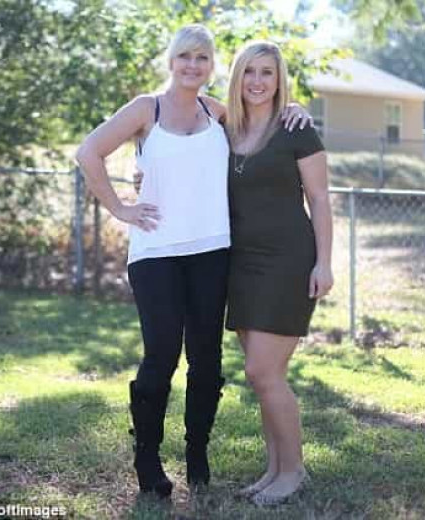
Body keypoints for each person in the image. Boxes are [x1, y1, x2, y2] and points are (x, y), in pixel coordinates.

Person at [75, 25, 312, 498]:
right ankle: (148, 460)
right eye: (185, 56)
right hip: (156, 254)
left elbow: (262, 120)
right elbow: (88, 153)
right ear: (171, 61)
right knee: (161, 355)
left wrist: (295, 108)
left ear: (211, 67)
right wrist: (121, 208)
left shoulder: (216, 111)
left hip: (212, 251)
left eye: (202, 58)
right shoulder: (146, 109)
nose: (192, 65)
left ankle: (197, 455)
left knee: (206, 360)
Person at [224, 41, 333, 506]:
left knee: (262, 370)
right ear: (237, 78)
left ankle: (293, 471)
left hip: (287, 261)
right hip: (240, 263)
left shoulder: (296, 128)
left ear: (279, 78)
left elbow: (320, 199)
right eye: (249, 72)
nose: (257, 82)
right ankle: (273, 469)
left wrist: (324, 262)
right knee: (263, 377)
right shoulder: (224, 127)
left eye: (267, 73)